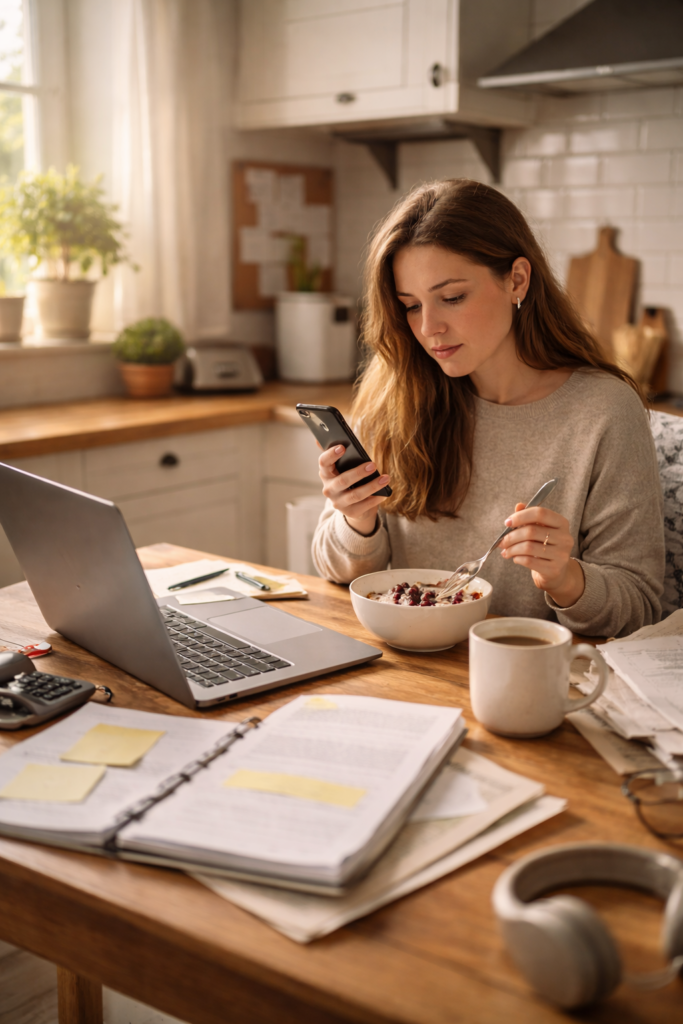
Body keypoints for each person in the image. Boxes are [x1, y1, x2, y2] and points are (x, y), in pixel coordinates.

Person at [312, 179, 664, 637]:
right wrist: (356, 519)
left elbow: (638, 608)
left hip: (521, 674)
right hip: (400, 666)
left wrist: (564, 578)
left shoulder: (604, 412)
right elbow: (335, 572)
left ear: (517, 279)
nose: (429, 328)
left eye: (452, 298)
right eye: (411, 306)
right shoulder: (394, 390)